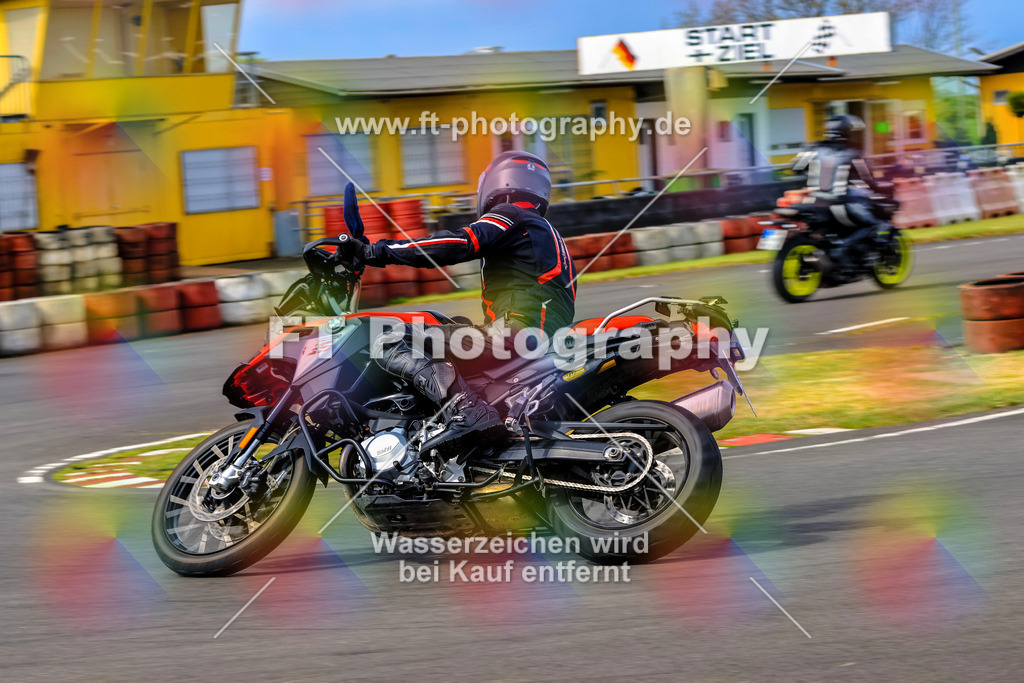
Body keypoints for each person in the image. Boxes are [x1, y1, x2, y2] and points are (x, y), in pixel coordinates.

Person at [335, 150, 577, 453]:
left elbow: (458, 244)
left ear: (497, 182)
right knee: (448, 328)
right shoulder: (546, 232)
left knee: (389, 338)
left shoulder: (512, 214)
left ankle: (468, 412)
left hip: (517, 333)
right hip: (539, 337)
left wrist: (377, 252)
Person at [792, 114, 886, 266]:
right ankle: (844, 248)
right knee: (872, 225)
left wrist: (815, 173)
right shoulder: (853, 153)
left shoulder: (814, 148)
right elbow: (868, 180)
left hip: (815, 202)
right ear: (847, 132)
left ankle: (835, 254)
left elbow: (795, 168)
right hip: (838, 204)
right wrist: (881, 192)